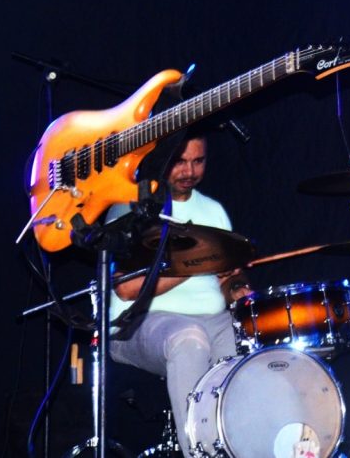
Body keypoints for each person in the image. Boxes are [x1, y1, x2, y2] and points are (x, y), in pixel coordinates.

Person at [107, 134, 248, 458]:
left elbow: (228, 279)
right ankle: (198, 453)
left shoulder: (213, 211)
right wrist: (196, 265)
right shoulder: (131, 209)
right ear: (162, 159)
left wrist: (237, 288)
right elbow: (126, 289)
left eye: (198, 161)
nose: (190, 171)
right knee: (189, 338)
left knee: (246, 341)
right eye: (180, 162)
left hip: (212, 320)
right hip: (138, 324)